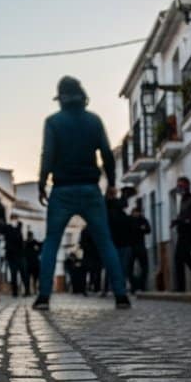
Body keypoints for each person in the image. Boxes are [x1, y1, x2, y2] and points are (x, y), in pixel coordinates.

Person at [34, 76, 131, 310]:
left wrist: (41, 182)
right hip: (90, 189)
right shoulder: (93, 120)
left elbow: (47, 154)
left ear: (61, 99)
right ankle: (121, 295)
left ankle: (44, 297)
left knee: (51, 243)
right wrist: (112, 183)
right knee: (105, 242)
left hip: (62, 190)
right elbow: (107, 154)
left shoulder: (53, 122)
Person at [102, 195, 135, 297]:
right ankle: (121, 288)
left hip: (113, 245)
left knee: (112, 267)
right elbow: (131, 230)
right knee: (123, 268)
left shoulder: (108, 217)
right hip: (124, 245)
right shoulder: (126, 217)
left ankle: (110, 288)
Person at [129, 205, 152, 294]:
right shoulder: (130, 220)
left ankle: (142, 286)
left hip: (141, 246)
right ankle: (134, 286)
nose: (136, 214)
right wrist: (140, 228)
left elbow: (148, 230)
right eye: (135, 212)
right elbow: (131, 230)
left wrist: (139, 229)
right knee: (129, 268)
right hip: (131, 246)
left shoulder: (143, 220)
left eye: (138, 212)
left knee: (144, 267)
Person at [3, 218, 27, 296]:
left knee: (19, 273)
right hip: (14, 255)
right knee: (18, 274)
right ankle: (18, 291)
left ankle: (18, 292)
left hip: (16, 255)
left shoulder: (13, 228)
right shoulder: (15, 228)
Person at [79, 225, 101, 294]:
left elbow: (82, 243)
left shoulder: (85, 230)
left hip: (87, 254)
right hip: (95, 254)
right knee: (96, 271)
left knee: (86, 272)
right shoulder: (98, 230)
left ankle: (84, 288)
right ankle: (96, 288)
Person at [24, 230, 42, 295]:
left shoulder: (35, 242)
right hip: (28, 264)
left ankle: (35, 290)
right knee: (27, 279)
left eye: (30, 236)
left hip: (35, 264)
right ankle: (27, 291)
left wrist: (38, 252)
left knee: (35, 279)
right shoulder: (25, 243)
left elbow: (41, 246)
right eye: (29, 236)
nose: (29, 237)